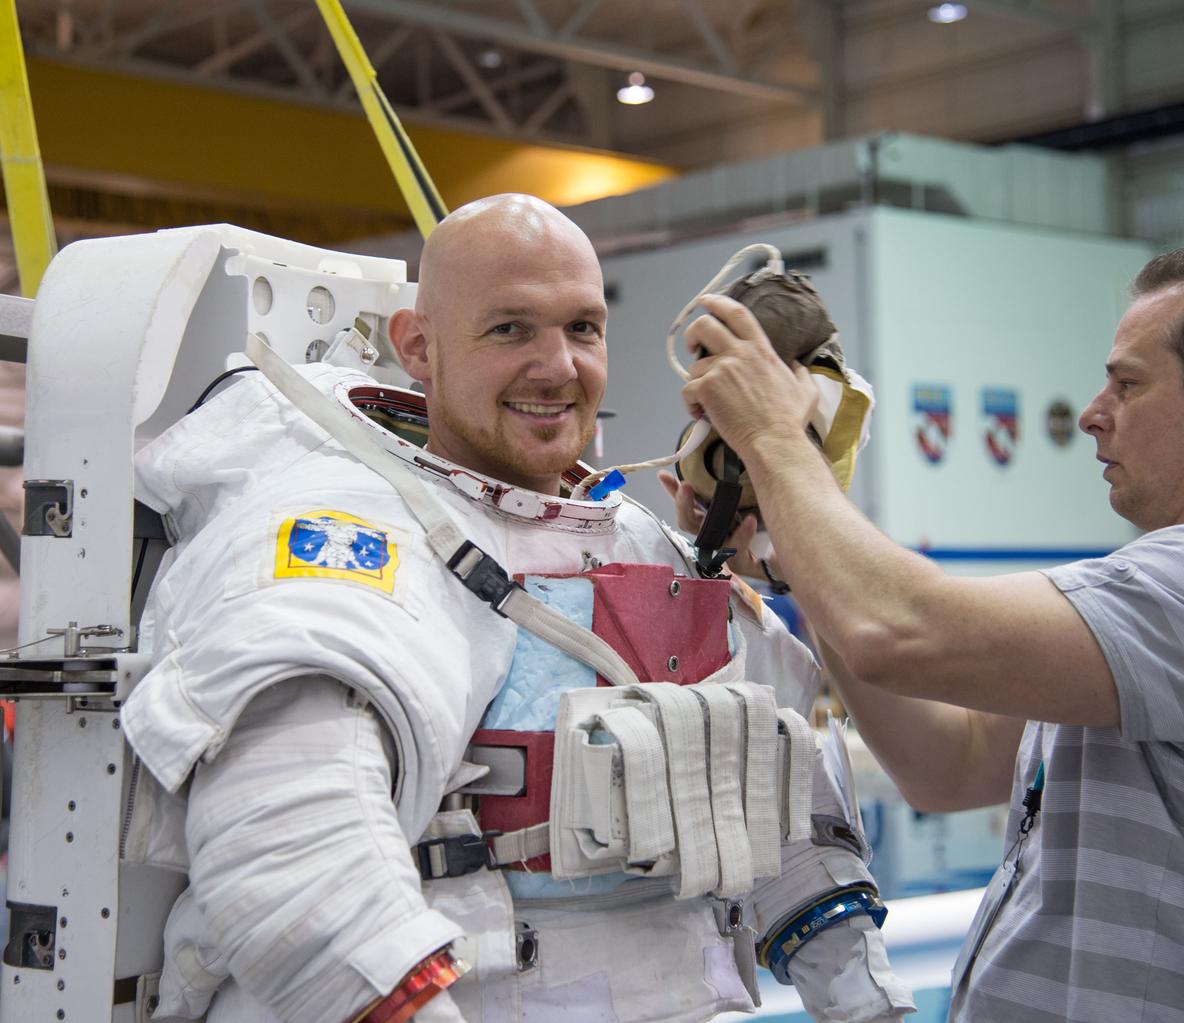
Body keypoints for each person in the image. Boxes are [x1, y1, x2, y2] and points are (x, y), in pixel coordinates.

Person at [118, 194, 914, 1023]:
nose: (558, 366)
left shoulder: (641, 543)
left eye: (582, 328)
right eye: (510, 329)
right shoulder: (347, 529)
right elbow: (297, 854)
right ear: (417, 346)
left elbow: (779, 801)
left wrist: (867, 1003)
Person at [674, 233, 1184, 1021]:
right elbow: (948, 761)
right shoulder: (1177, 609)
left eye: (1127, 385)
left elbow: (895, 629)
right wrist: (790, 548)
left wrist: (776, 436)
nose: (1093, 416)